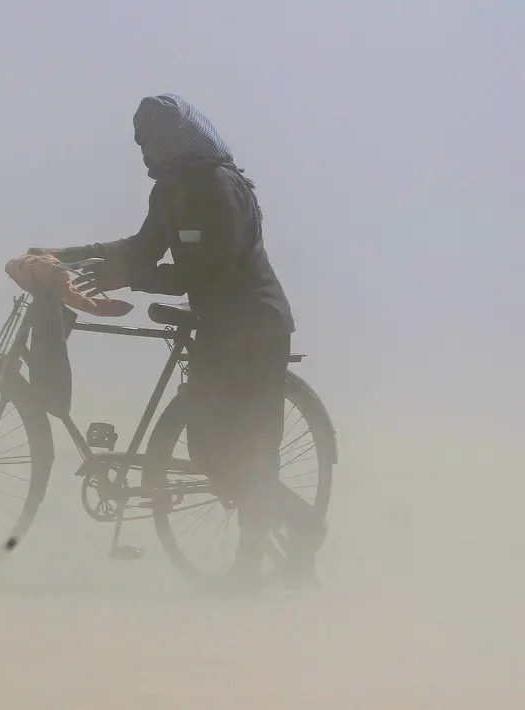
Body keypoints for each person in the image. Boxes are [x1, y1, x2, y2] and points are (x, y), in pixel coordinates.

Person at [30, 94, 324, 590]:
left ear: (171, 140)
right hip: (216, 329)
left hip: (253, 328)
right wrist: (73, 256)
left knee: (252, 453)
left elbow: (203, 270)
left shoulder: (220, 188)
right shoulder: (168, 191)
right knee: (211, 454)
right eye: (139, 141)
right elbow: (142, 248)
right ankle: (278, 550)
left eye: (149, 140)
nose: (143, 150)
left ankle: (277, 547)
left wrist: (125, 278)